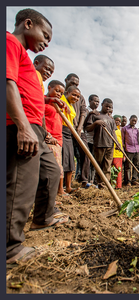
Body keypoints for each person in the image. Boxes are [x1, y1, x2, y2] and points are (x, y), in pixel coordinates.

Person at [6, 8, 68, 265]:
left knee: (52, 173)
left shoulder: (21, 54)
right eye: (45, 34)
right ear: (28, 24)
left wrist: (47, 99)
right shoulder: (10, 42)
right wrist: (22, 127)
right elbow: (7, 84)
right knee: (21, 185)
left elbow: (24, 89)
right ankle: (9, 248)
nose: (46, 41)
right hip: (22, 127)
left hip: (37, 131)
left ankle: (42, 218)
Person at [85, 98, 119, 189]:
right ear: (102, 104)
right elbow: (88, 129)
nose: (108, 108)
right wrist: (96, 123)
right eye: (106, 106)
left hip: (110, 145)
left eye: (110, 107)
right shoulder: (95, 115)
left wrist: (117, 143)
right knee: (98, 165)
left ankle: (105, 185)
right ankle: (98, 183)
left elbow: (113, 132)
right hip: (99, 144)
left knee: (107, 166)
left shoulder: (111, 120)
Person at [64, 73, 90, 188]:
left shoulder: (80, 97)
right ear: (66, 80)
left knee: (86, 153)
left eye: (77, 84)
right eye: (73, 83)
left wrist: (79, 127)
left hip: (78, 129)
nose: (75, 85)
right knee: (67, 155)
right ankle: (65, 183)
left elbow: (83, 112)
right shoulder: (61, 94)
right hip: (64, 129)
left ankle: (83, 179)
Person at [44, 80, 68, 196]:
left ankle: (59, 190)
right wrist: (48, 135)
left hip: (58, 139)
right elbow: (40, 120)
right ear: (49, 88)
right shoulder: (43, 101)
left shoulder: (59, 105)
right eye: (57, 90)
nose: (59, 94)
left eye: (61, 93)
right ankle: (52, 193)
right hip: (49, 138)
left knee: (59, 166)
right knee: (52, 168)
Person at [61, 86, 81, 194]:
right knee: (62, 160)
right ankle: (60, 189)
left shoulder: (72, 106)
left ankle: (68, 187)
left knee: (70, 161)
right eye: (73, 95)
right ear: (67, 92)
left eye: (78, 96)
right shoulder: (62, 100)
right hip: (61, 130)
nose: (76, 98)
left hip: (69, 132)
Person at [85, 94, 100, 187]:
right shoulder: (86, 111)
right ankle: (86, 180)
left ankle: (92, 180)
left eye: (98, 101)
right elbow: (85, 126)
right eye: (95, 101)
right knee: (87, 161)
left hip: (95, 141)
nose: (97, 103)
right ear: (89, 101)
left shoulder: (98, 113)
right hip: (87, 140)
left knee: (94, 162)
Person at [122, 115, 139, 186]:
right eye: (133, 120)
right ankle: (128, 181)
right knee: (128, 166)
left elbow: (137, 139)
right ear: (129, 120)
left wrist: (138, 148)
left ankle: (134, 180)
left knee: (136, 165)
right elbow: (123, 140)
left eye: (135, 121)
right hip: (128, 149)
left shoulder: (136, 130)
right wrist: (123, 151)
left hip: (136, 149)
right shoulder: (124, 129)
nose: (134, 122)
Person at [112, 116, 124, 189]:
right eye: (116, 120)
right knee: (112, 170)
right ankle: (112, 185)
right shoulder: (111, 129)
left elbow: (121, 142)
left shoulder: (119, 130)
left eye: (119, 121)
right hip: (112, 152)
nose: (118, 122)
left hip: (119, 153)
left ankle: (118, 186)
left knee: (118, 170)